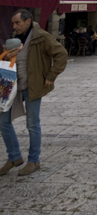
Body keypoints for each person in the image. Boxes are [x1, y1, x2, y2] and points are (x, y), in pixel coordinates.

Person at [0, 9, 68, 176]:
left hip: (33, 86)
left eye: (17, 23)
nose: (14, 26)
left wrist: (51, 76)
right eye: (13, 23)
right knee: (3, 121)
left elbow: (61, 54)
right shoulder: (15, 38)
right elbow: (12, 60)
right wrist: (7, 57)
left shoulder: (41, 36)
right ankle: (14, 157)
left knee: (32, 124)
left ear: (28, 21)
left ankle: (34, 160)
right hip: (13, 86)